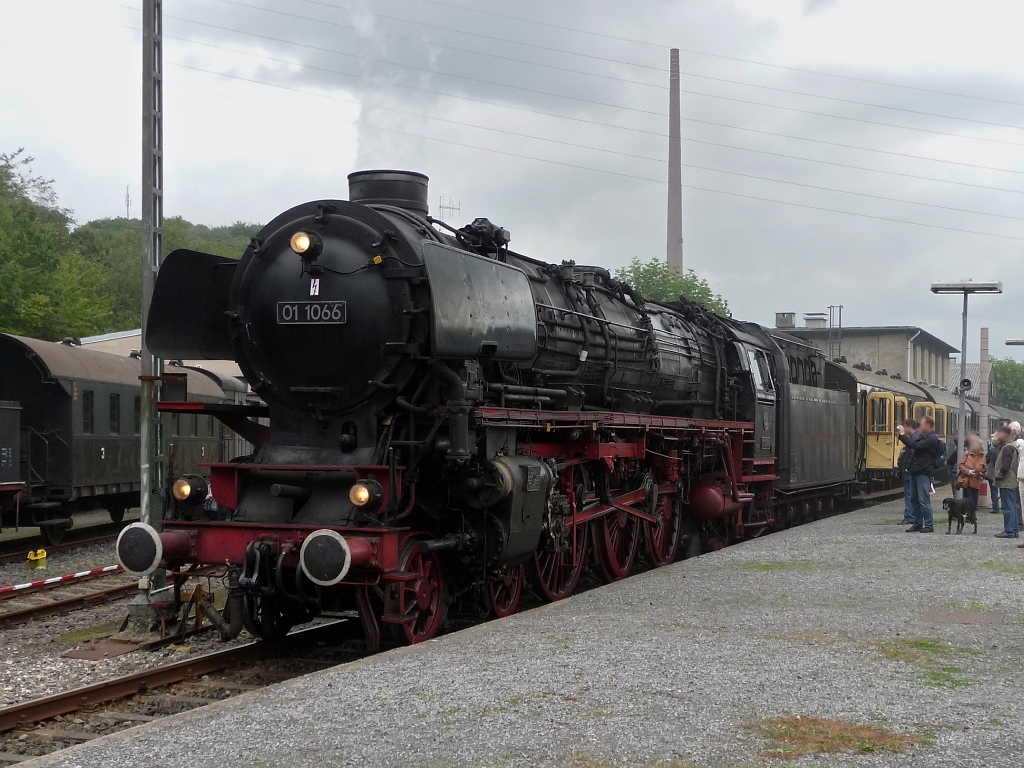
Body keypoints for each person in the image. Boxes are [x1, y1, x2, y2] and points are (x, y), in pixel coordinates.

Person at [897, 414, 940, 533]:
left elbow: (915, 445)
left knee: (924, 499)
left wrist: (902, 435)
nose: (919, 425)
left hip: (923, 472)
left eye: (921, 423)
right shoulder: (922, 437)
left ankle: (929, 524)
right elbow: (912, 443)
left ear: (928, 425)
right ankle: (917, 523)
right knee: (914, 499)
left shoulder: (931, 439)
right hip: (915, 471)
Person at [991, 426, 1020, 539]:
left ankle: (1009, 530)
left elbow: (1005, 466)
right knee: (1012, 505)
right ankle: (1014, 529)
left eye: (999, 433)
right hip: (1011, 481)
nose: (997, 436)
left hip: (1007, 481)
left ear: (1005, 435)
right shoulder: (1011, 446)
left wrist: (998, 476)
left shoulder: (1007, 448)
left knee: (1008, 506)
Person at [956, 433, 987, 508]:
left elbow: (985, 469)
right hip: (967, 481)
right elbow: (961, 465)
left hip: (976, 482)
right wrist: (968, 471)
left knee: (974, 502)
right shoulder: (967, 454)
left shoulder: (982, 457)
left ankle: (972, 517)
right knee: (968, 501)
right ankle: (967, 516)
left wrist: (983, 473)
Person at [897, 419, 918, 525]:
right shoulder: (916, 437)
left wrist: (907, 467)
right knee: (911, 494)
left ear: (909, 427)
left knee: (909, 494)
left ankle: (910, 516)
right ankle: (912, 515)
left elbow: (912, 452)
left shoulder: (914, 438)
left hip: (909, 470)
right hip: (910, 469)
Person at [985, 437, 1002, 514]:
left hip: (993, 474)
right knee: (1002, 491)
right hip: (1001, 473)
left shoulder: (992, 451)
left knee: (994, 491)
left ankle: (996, 508)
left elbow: (986, 460)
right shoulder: (1002, 450)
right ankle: (1003, 506)